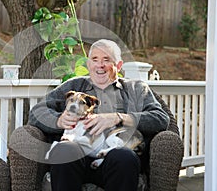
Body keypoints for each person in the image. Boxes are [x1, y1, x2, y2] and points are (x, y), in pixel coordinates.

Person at [28, 39, 170, 191]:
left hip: (114, 159)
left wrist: (118, 118)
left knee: (124, 157)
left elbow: (161, 118)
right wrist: (58, 121)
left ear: (119, 65)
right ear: (88, 64)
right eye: (94, 59)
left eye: (106, 60)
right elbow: (36, 113)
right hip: (76, 158)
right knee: (64, 150)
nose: (100, 65)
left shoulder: (136, 88)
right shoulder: (73, 86)